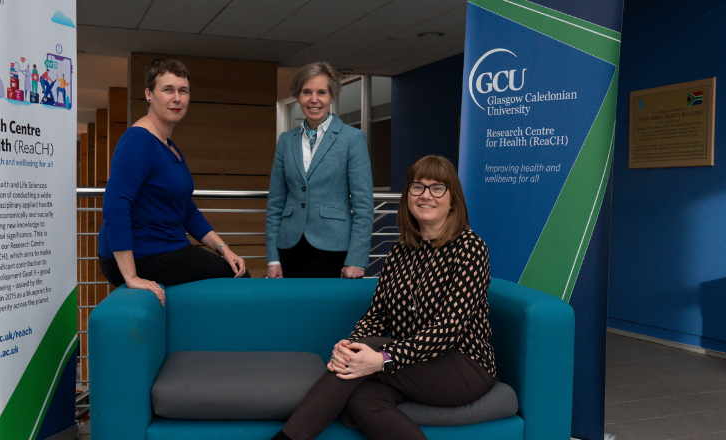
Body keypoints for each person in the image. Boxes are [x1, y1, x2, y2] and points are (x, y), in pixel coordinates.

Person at [271, 155, 497, 440]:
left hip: (463, 366)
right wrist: (348, 348)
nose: (426, 195)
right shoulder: (398, 253)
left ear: (453, 200)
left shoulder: (470, 248)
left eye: (437, 188)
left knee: (367, 351)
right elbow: (377, 316)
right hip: (413, 365)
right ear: (408, 196)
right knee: (362, 399)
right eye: (417, 187)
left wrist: (384, 359)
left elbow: (448, 329)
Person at [98, 58, 248, 306]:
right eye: (168, 90)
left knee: (235, 269)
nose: (177, 98)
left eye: (183, 91)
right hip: (144, 255)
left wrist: (224, 248)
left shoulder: (168, 145)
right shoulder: (139, 141)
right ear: (149, 94)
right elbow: (115, 207)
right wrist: (132, 277)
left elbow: (186, 209)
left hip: (165, 248)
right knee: (238, 279)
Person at [265, 62, 373, 279]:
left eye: (321, 92)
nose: (314, 99)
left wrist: (356, 259)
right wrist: (273, 258)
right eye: (307, 92)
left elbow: (363, 205)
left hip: (334, 248)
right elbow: (275, 203)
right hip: (290, 248)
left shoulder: (352, 138)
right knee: (292, 309)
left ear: (332, 96)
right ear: (298, 96)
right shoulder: (286, 141)